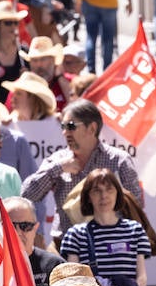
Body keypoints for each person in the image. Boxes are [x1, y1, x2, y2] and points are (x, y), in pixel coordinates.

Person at [22, 99, 141, 238]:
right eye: (63, 126)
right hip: (66, 247)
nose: (65, 132)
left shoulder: (119, 161)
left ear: (92, 128)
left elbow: (135, 207)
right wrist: (58, 168)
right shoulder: (57, 161)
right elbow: (27, 195)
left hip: (109, 247)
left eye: (71, 126)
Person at [60, 168, 150, 286]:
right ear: (88, 196)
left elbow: (142, 278)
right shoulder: (76, 234)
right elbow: (74, 281)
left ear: (118, 193)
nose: (104, 196)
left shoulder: (134, 230)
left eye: (109, 189)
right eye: (97, 190)